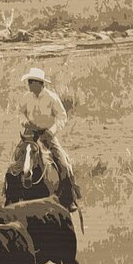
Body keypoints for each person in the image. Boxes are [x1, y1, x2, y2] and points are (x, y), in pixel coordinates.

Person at [17, 67, 80, 212]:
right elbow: (20, 113)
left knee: (63, 163)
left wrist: (52, 131)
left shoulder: (51, 97)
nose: (29, 84)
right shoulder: (26, 97)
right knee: (15, 163)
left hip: (47, 134)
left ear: (39, 83)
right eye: (29, 81)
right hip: (30, 133)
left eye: (31, 82)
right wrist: (25, 122)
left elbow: (62, 116)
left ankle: (68, 198)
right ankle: (12, 195)